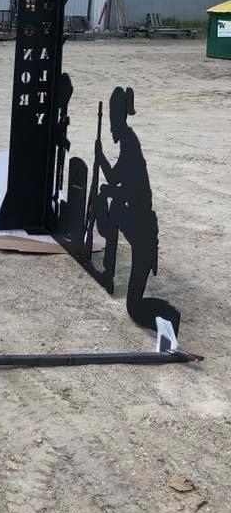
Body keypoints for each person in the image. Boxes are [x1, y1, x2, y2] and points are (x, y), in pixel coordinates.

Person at [93, 87, 180, 334]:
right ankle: (108, 269)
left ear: (119, 121)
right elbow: (116, 181)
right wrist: (102, 166)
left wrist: (101, 163)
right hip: (134, 219)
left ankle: (170, 317)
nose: (111, 129)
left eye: (113, 124)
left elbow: (123, 186)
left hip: (143, 231)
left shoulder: (130, 144)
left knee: (134, 306)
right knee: (110, 207)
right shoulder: (127, 143)